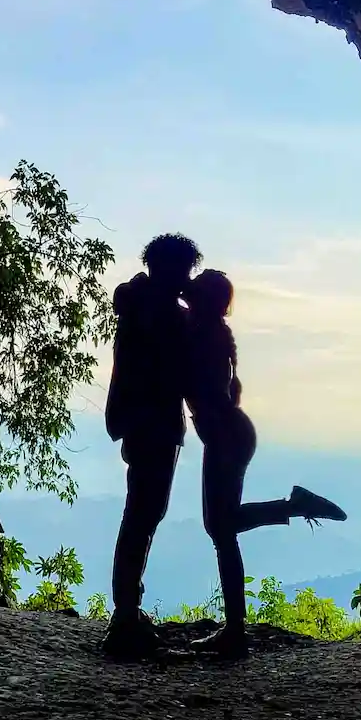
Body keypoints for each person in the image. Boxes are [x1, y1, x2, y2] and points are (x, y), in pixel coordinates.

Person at [184, 268, 346, 660]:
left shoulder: (201, 336)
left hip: (226, 436)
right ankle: (235, 630)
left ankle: (235, 632)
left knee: (220, 529)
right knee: (220, 527)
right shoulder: (214, 335)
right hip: (232, 434)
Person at [102, 232, 202, 659]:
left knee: (139, 512)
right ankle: (125, 620)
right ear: (174, 269)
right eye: (184, 271)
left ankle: (127, 610)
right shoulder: (165, 314)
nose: (187, 279)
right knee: (144, 513)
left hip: (136, 420)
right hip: (157, 422)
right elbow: (183, 371)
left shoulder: (136, 301)